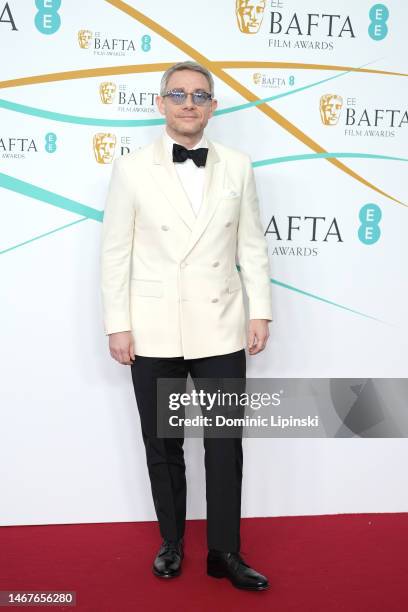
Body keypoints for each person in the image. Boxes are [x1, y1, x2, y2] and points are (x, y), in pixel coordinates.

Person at [100, 60, 273, 591]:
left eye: (200, 95)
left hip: (220, 324)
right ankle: (171, 543)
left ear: (213, 106)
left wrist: (259, 309)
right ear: (161, 104)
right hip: (152, 328)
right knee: (162, 442)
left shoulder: (238, 165)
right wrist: (118, 324)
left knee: (225, 442)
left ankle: (225, 551)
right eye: (178, 94)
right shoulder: (131, 169)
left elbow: (251, 245)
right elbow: (115, 253)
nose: (189, 103)